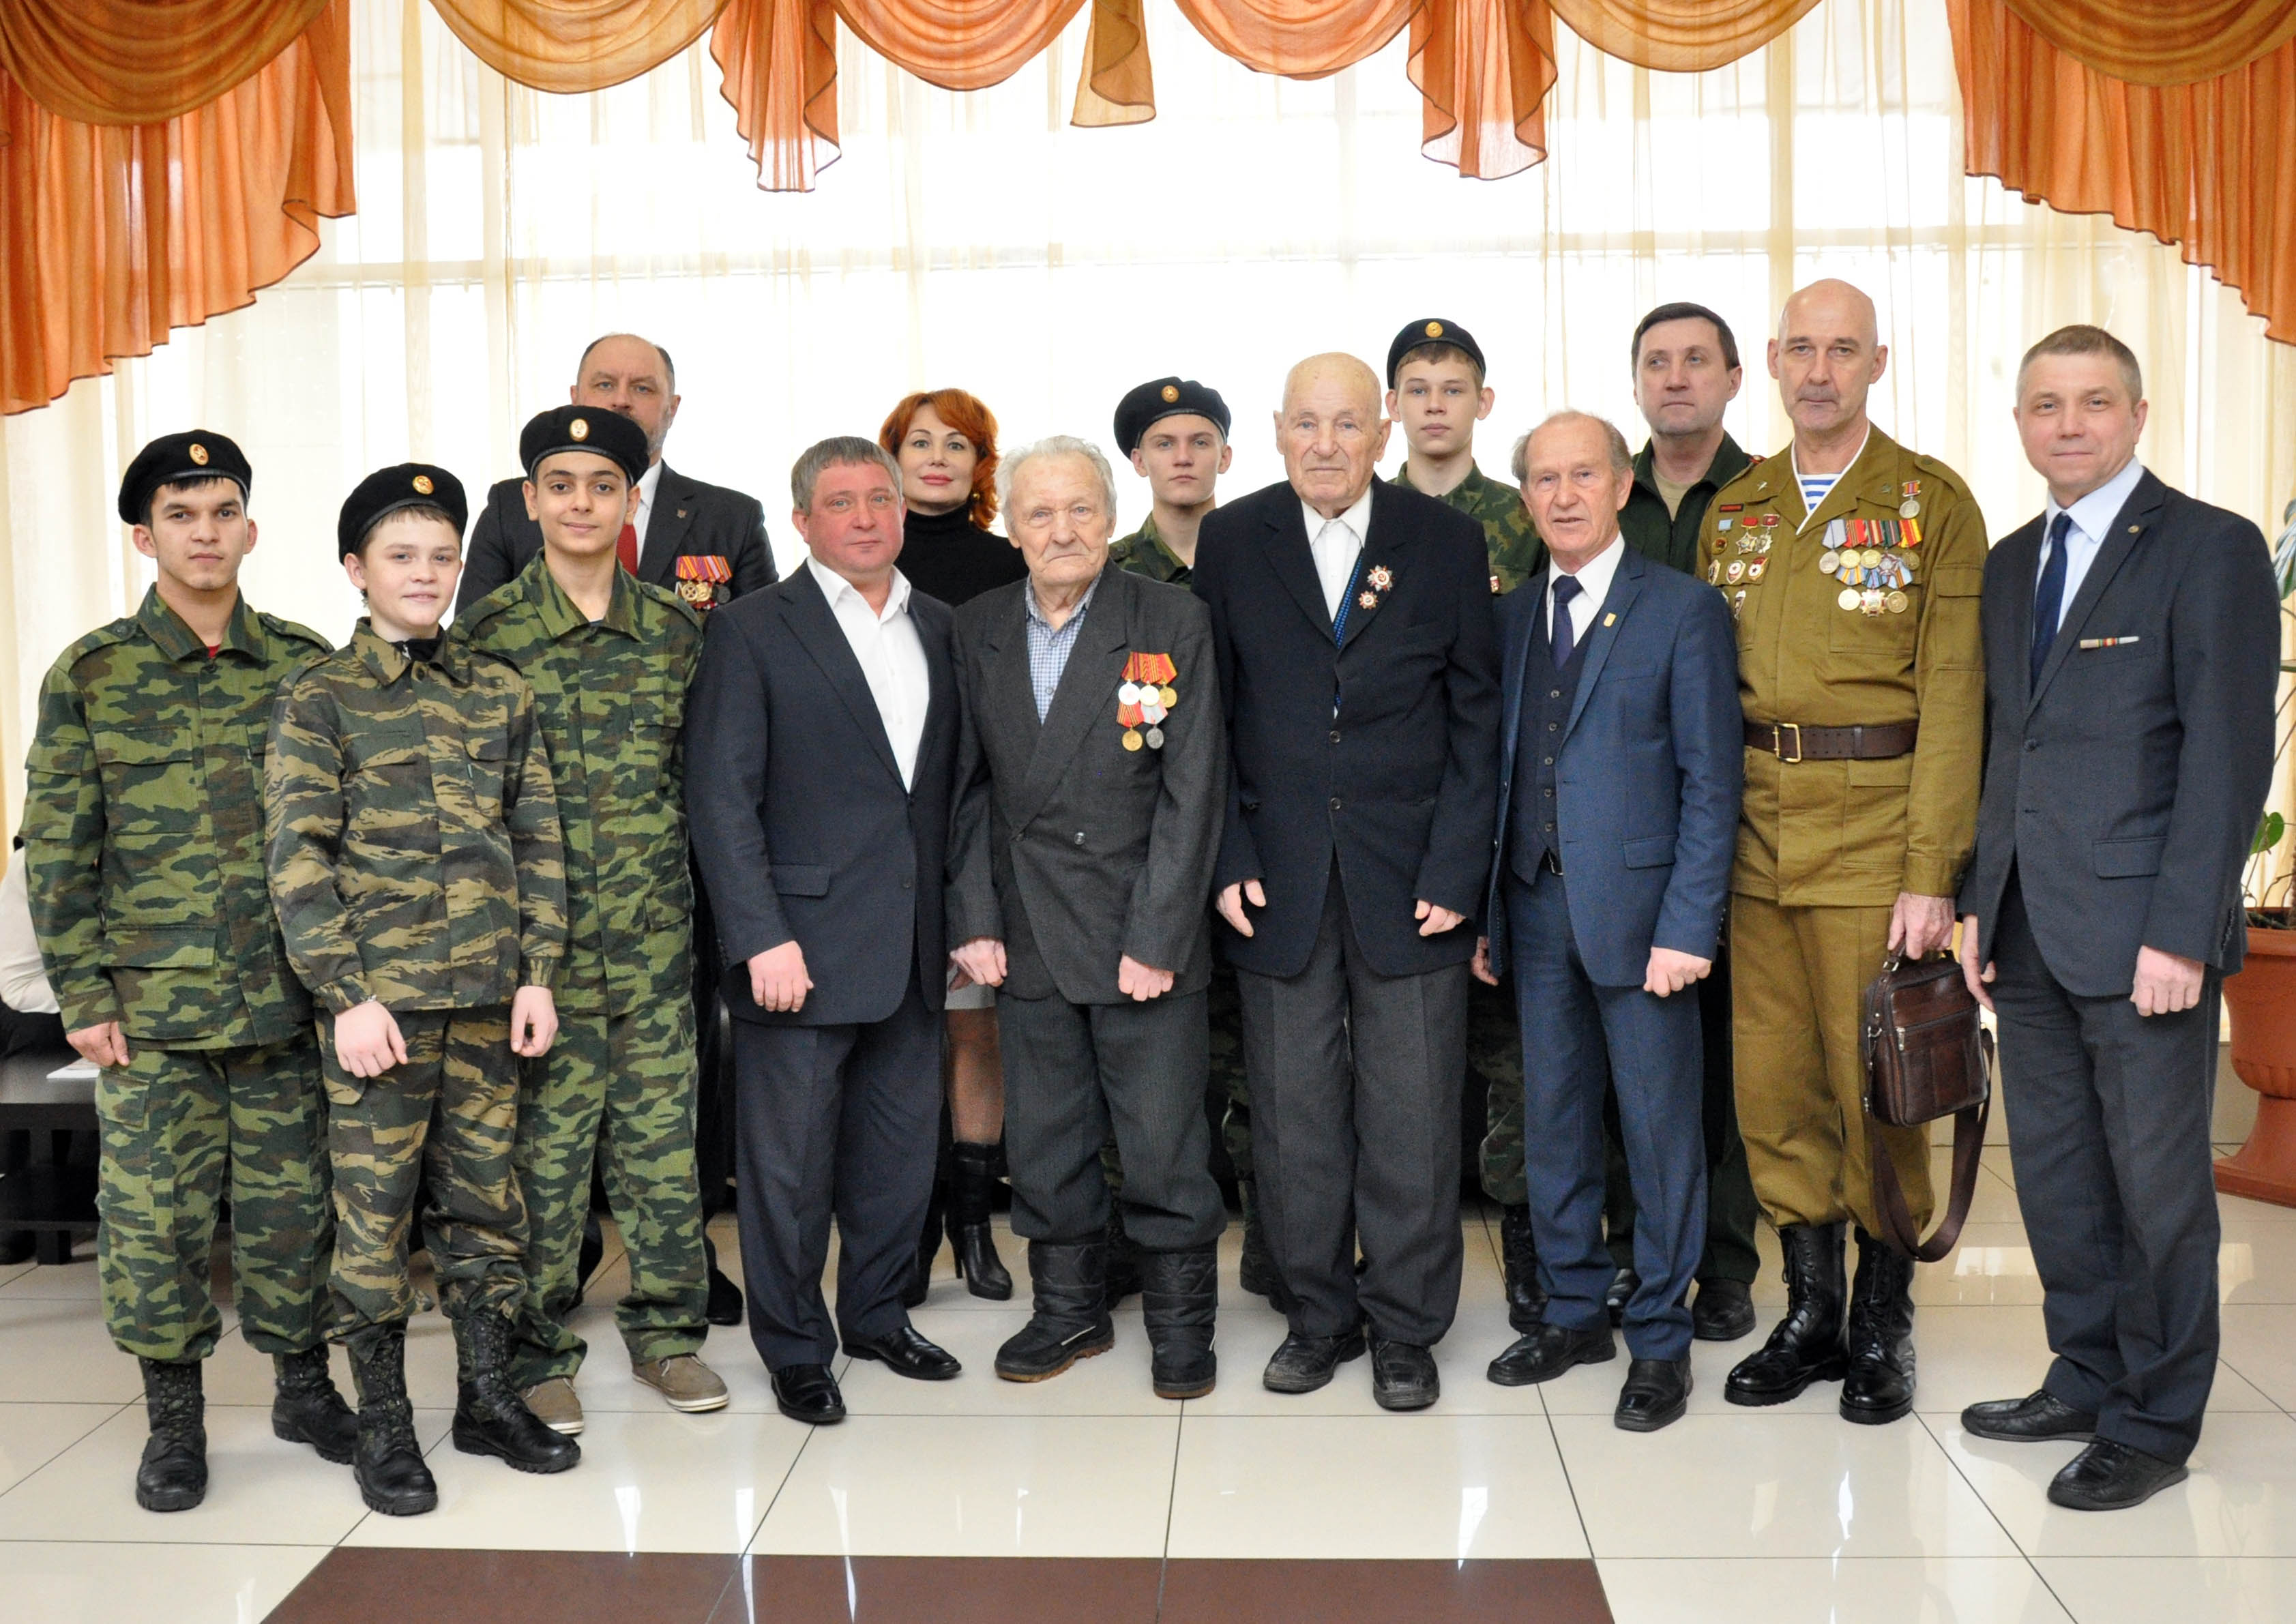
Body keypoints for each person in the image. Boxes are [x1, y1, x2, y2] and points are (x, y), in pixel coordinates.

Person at [1956, 325, 2278, 1511]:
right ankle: (2086, 1374)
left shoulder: (2208, 548)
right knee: (2054, 1176)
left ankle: (2153, 1417)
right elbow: (2010, 747)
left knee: (2155, 1191)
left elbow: (2227, 755)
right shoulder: (2011, 563)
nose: (2069, 424)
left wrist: (2183, 929)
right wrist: (1978, 905)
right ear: (2020, 424)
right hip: (2026, 928)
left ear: (2138, 415)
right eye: (2045, 404)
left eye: (2094, 401)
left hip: (2145, 933)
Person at [21, 432, 351, 1514]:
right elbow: (59, 845)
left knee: (293, 1215)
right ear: (143, 536)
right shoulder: (94, 672)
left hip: (284, 1003)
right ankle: (174, 1420)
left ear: (251, 529)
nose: (204, 533)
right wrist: (81, 995)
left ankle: (304, 1390)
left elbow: (345, 831)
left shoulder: (304, 662)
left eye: (222, 511)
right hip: (151, 1015)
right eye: (180, 514)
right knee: (155, 1227)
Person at [267, 463, 579, 1514]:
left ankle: (486, 1399)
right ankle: (386, 1426)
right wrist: (344, 995)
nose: (425, 573)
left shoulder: (497, 689)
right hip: (381, 1015)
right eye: (401, 555)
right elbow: (297, 859)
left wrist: (538, 975)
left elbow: (537, 839)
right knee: (374, 1223)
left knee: (488, 1211)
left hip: (489, 999)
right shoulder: (319, 696)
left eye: (442, 556)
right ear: (355, 569)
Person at [1194, 352, 1500, 1411]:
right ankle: (1318, 1315)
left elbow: (1476, 717)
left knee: (1413, 1118)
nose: (1324, 444)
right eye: (1305, 423)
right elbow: (1208, 716)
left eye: (1345, 424)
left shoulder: (1444, 539)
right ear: (1278, 432)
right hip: (1273, 881)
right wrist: (1227, 854)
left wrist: (1457, 867)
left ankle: (1406, 1327)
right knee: (1293, 1119)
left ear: (1381, 432)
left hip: (1413, 878)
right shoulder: (1233, 539)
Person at [1707, 280, 1986, 1425]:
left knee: (1874, 1083)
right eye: (1801, 349)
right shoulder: (1738, 507)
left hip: (1875, 834)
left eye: (1842, 349)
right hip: (1752, 834)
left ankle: (1881, 1318)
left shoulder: (1929, 503)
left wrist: (1931, 870)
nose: (1818, 370)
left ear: (1878, 362)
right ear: (1772, 360)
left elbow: (1955, 695)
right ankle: (1810, 1312)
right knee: (1773, 1085)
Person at [457, 331, 774, 1329]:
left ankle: (670, 1330)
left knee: (663, 1157)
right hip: (536, 951)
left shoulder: (679, 634)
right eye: (561, 485)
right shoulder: (486, 640)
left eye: (603, 486)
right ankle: (536, 1343)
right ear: (530, 501)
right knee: (543, 1164)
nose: (582, 503)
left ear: (631, 502)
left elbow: (710, 783)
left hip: (652, 943)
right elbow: (469, 806)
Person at [686, 437, 965, 1426]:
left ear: (903, 511)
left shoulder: (940, 624)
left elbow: (953, 791)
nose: (865, 517)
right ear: (802, 521)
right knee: (790, 1172)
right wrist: (758, 936)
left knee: (897, 1157)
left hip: (913, 946)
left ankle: (879, 1316)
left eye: (880, 498)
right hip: (795, 949)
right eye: (840, 502)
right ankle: (797, 1348)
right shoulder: (752, 629)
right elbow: (720, 796)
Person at [1474, 412, 1741, 1433]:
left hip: (1645, 921)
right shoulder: (1510, 616)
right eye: (1544, 480)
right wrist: (1492, 911)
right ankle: (1574, 1311)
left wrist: (1690, 925)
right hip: (1534, 907)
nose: (1564, 495)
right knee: (1553, 1120)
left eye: (1583, 474)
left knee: (1659, 1130)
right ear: (1526, 498)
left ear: (1622, 485)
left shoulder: (1683, 609)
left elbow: (1712, 783)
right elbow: (1501, 773)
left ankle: (1661, 1340)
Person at [947, 437, 1229, 1398]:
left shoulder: (1170, 618)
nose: (1061, 530)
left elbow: (1194, 790)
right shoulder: (979, 625)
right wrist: (974, 915)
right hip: (1024, 928)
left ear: (1110, 517)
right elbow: (966, 787)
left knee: (1162, 1144)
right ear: (1010, 527)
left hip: (1140, 932)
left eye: (1079, 510)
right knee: (1046, 1140)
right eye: (1039, 513)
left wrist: (1159, 934)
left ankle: (1182, 1326)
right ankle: (1066, 1310)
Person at [1603, 301, 1765, 1344]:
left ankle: (1727, 1260)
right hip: (1617, 822)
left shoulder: (1767, 502)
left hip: (1736, 811)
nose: (1674, 378)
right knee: (1631, 1049)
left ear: (1733, 378)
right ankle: (1637, 1247)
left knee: (1726, 1057)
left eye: (1695, 360)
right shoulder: (1596, 490)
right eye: (1655, 362)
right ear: (1635, 381)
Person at [1381, 319, 1547, 1335]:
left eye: (1454, 388)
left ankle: (1525, 1246)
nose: (1435, 404)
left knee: (1510, 1047)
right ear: (1392, 405)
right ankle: (1391, 1246)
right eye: (1417, 387)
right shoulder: (1360, 514)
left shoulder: (1521, 517)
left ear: (1484, 403)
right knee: (1391, 1058)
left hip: (1505, 799)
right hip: (1395, 822)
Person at [1106, 377, 1272, 1308]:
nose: (1183, 456)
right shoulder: (1110, 569)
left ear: (1226, 456)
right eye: (1164, 442)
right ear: (1137, 461)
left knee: (1259, 1062)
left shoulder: (1261, 554)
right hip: (1148, 854)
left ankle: (1273, 1243)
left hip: (1252, 839)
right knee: (1142, 1066)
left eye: (1200, 440)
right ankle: (1134, 1247)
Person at [879, 389, 1023, 1303]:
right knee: (904, 1037)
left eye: (957, 445)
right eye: (920, 442)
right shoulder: (867, 555)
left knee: (976, 1029)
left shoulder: (1009, 563)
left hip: (980, 829)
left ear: (981, 466)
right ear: (891, 457)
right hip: (887, 839)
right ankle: (912, 1225)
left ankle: (973, 1225)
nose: (937, 457)